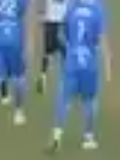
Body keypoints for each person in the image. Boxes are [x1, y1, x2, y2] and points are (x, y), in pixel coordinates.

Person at [49, 0, 111, 152]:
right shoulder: (98, 8)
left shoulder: (72, 6)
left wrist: (70, 47)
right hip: (89, 62)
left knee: (64, 99)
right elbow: (102, 38)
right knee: (90, 101)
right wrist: (108, 66)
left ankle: (57, 135)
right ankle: (88, 137)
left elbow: (61, 35)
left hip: (72, 60)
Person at [0, 0, 35, 130]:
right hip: (15, 39)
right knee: (19, 78)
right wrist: (29, 42)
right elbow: (26, 18)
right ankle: (18, 112)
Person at [36, 0, 69, 94]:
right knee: (66, 55)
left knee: (47, 53)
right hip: (63, 23)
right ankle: (67, 82)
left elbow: (41, 4)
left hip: (50, 23)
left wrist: (40, 14)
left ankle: (43, 76)